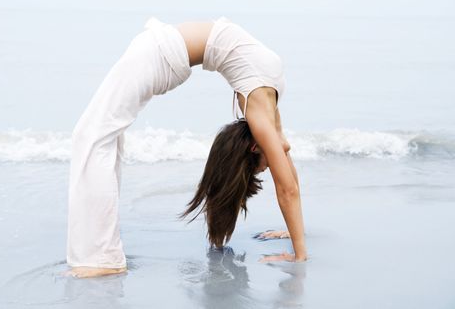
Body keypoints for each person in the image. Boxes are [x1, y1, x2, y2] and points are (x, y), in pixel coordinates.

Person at [66, 17, 307, 278]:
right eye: (263, 168)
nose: (270, 165)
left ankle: (102, 259)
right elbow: (288, 186)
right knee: (99, 137)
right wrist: (298, 246)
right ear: (253, 149)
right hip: (157, 53)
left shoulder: (262, 112)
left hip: (157, 55)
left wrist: (296, 242)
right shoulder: (263, 115)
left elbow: (286, 174)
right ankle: (102, 253)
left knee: (91, 136)